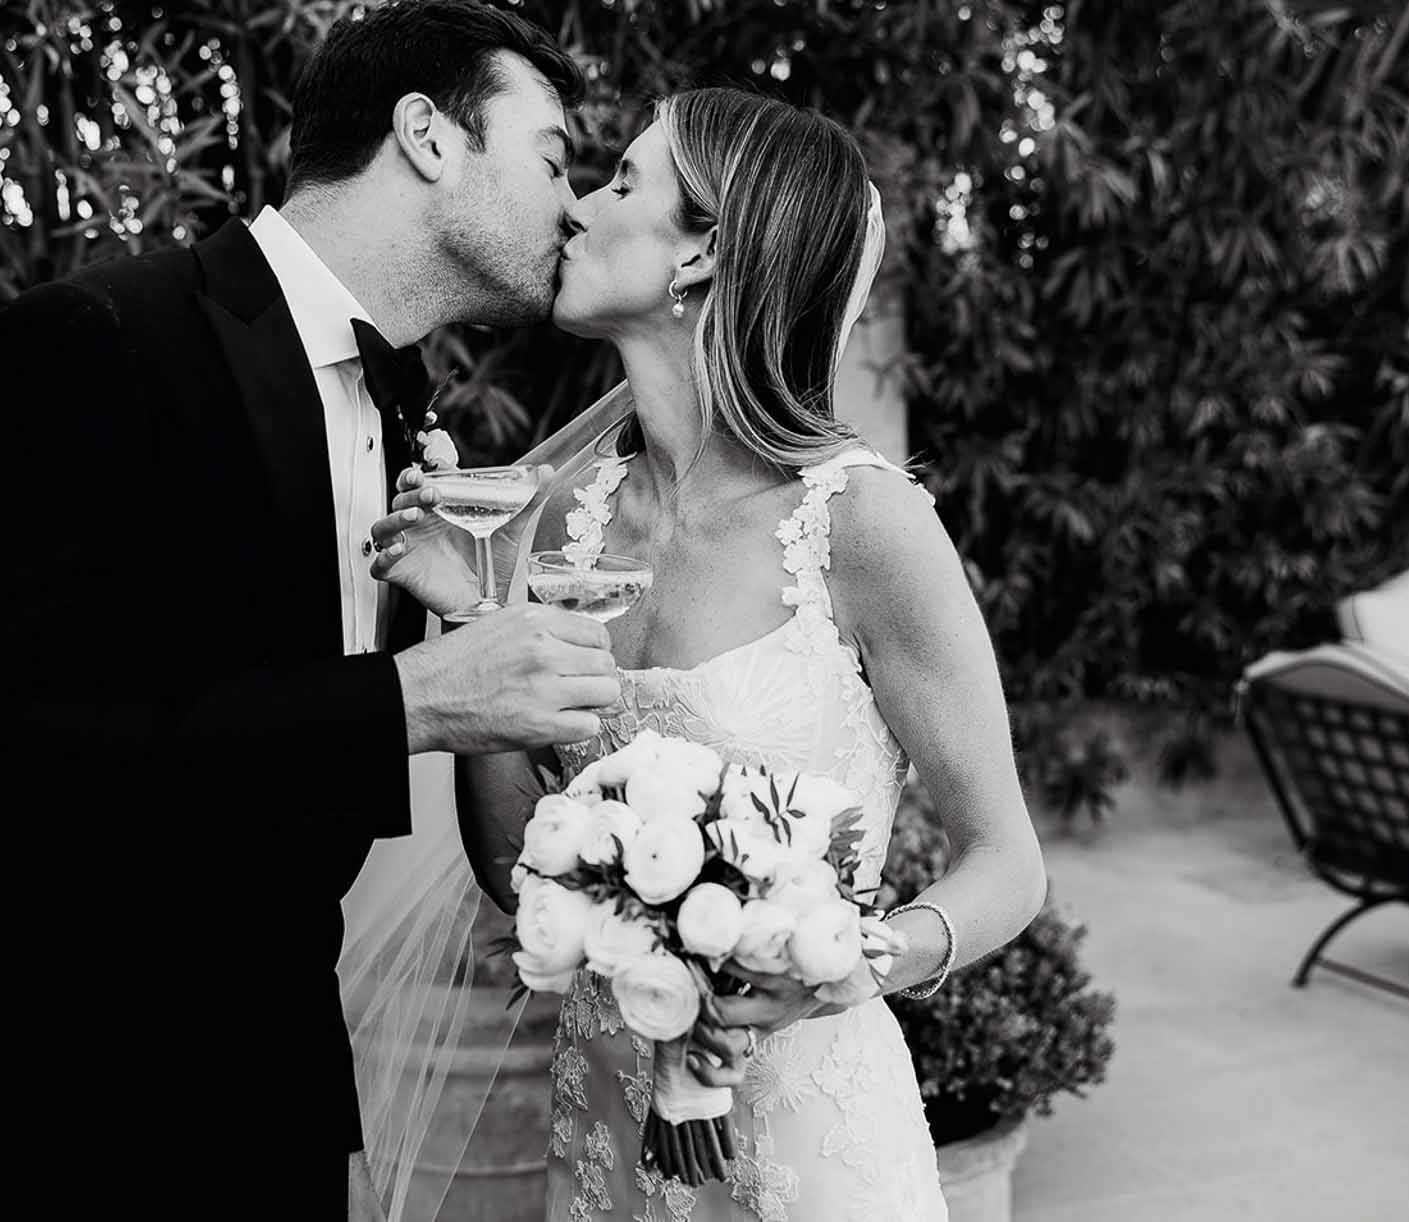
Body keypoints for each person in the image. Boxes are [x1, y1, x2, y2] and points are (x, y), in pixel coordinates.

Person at [0, 0, 624, 1222]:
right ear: (426, 135)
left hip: (256, 1110)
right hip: (20, 1109)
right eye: (552, 155)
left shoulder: (409, 413)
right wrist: (410, 700)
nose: (572, 205)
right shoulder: (95, 344)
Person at [373, 87, 1047, 1220]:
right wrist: (474, 616)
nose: (578, 208)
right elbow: (511, 873)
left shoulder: (862, 524)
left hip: (812, 1145)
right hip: (606, 1133)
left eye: (623, 182)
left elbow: (1007, 864)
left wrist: (840, 962)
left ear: (704, 254)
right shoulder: (561, 518)